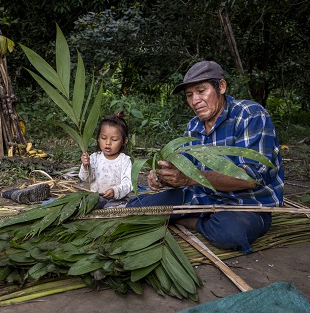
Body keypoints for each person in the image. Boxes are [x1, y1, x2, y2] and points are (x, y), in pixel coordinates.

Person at [126, 61, 284, 254]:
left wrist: (190, 178)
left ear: (222, 87)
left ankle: (189, 221)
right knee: (137, 208)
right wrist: (163, 176)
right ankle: (197, 218)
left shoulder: (249, 115)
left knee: (231, 233)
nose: (195, 101)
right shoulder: (193, 127)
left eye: (201, 91)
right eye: (189, 95)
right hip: (202, 197)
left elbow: (250, 179)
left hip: (244, 204)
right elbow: (183, 172)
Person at [79, 113, 133, 209]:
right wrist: (85, 166)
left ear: (124, 141)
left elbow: (128, 183)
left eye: (114, 139)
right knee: (83, 207)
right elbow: (85, 178)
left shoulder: (125, 161)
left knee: (116, 210)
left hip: (117, 201)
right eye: (104, 138)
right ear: (98, 138)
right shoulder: (94, 158)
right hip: (96, 198)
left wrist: (115, 191)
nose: (108, 143)